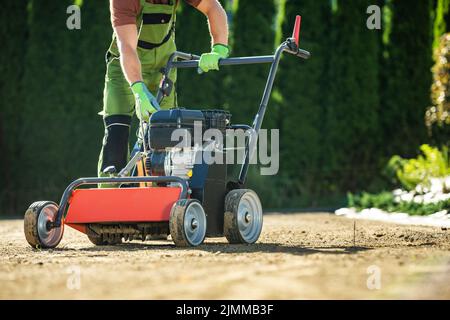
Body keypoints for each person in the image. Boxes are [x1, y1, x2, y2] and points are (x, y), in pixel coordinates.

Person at [98, 0, 229, 181]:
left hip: (163, 66)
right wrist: (138, 90)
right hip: (124, 69)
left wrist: (219, 48)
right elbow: (127, 47)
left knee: (163, 137)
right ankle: (107, 199)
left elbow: (213, 8)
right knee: (116, 136)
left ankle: (156, 196)